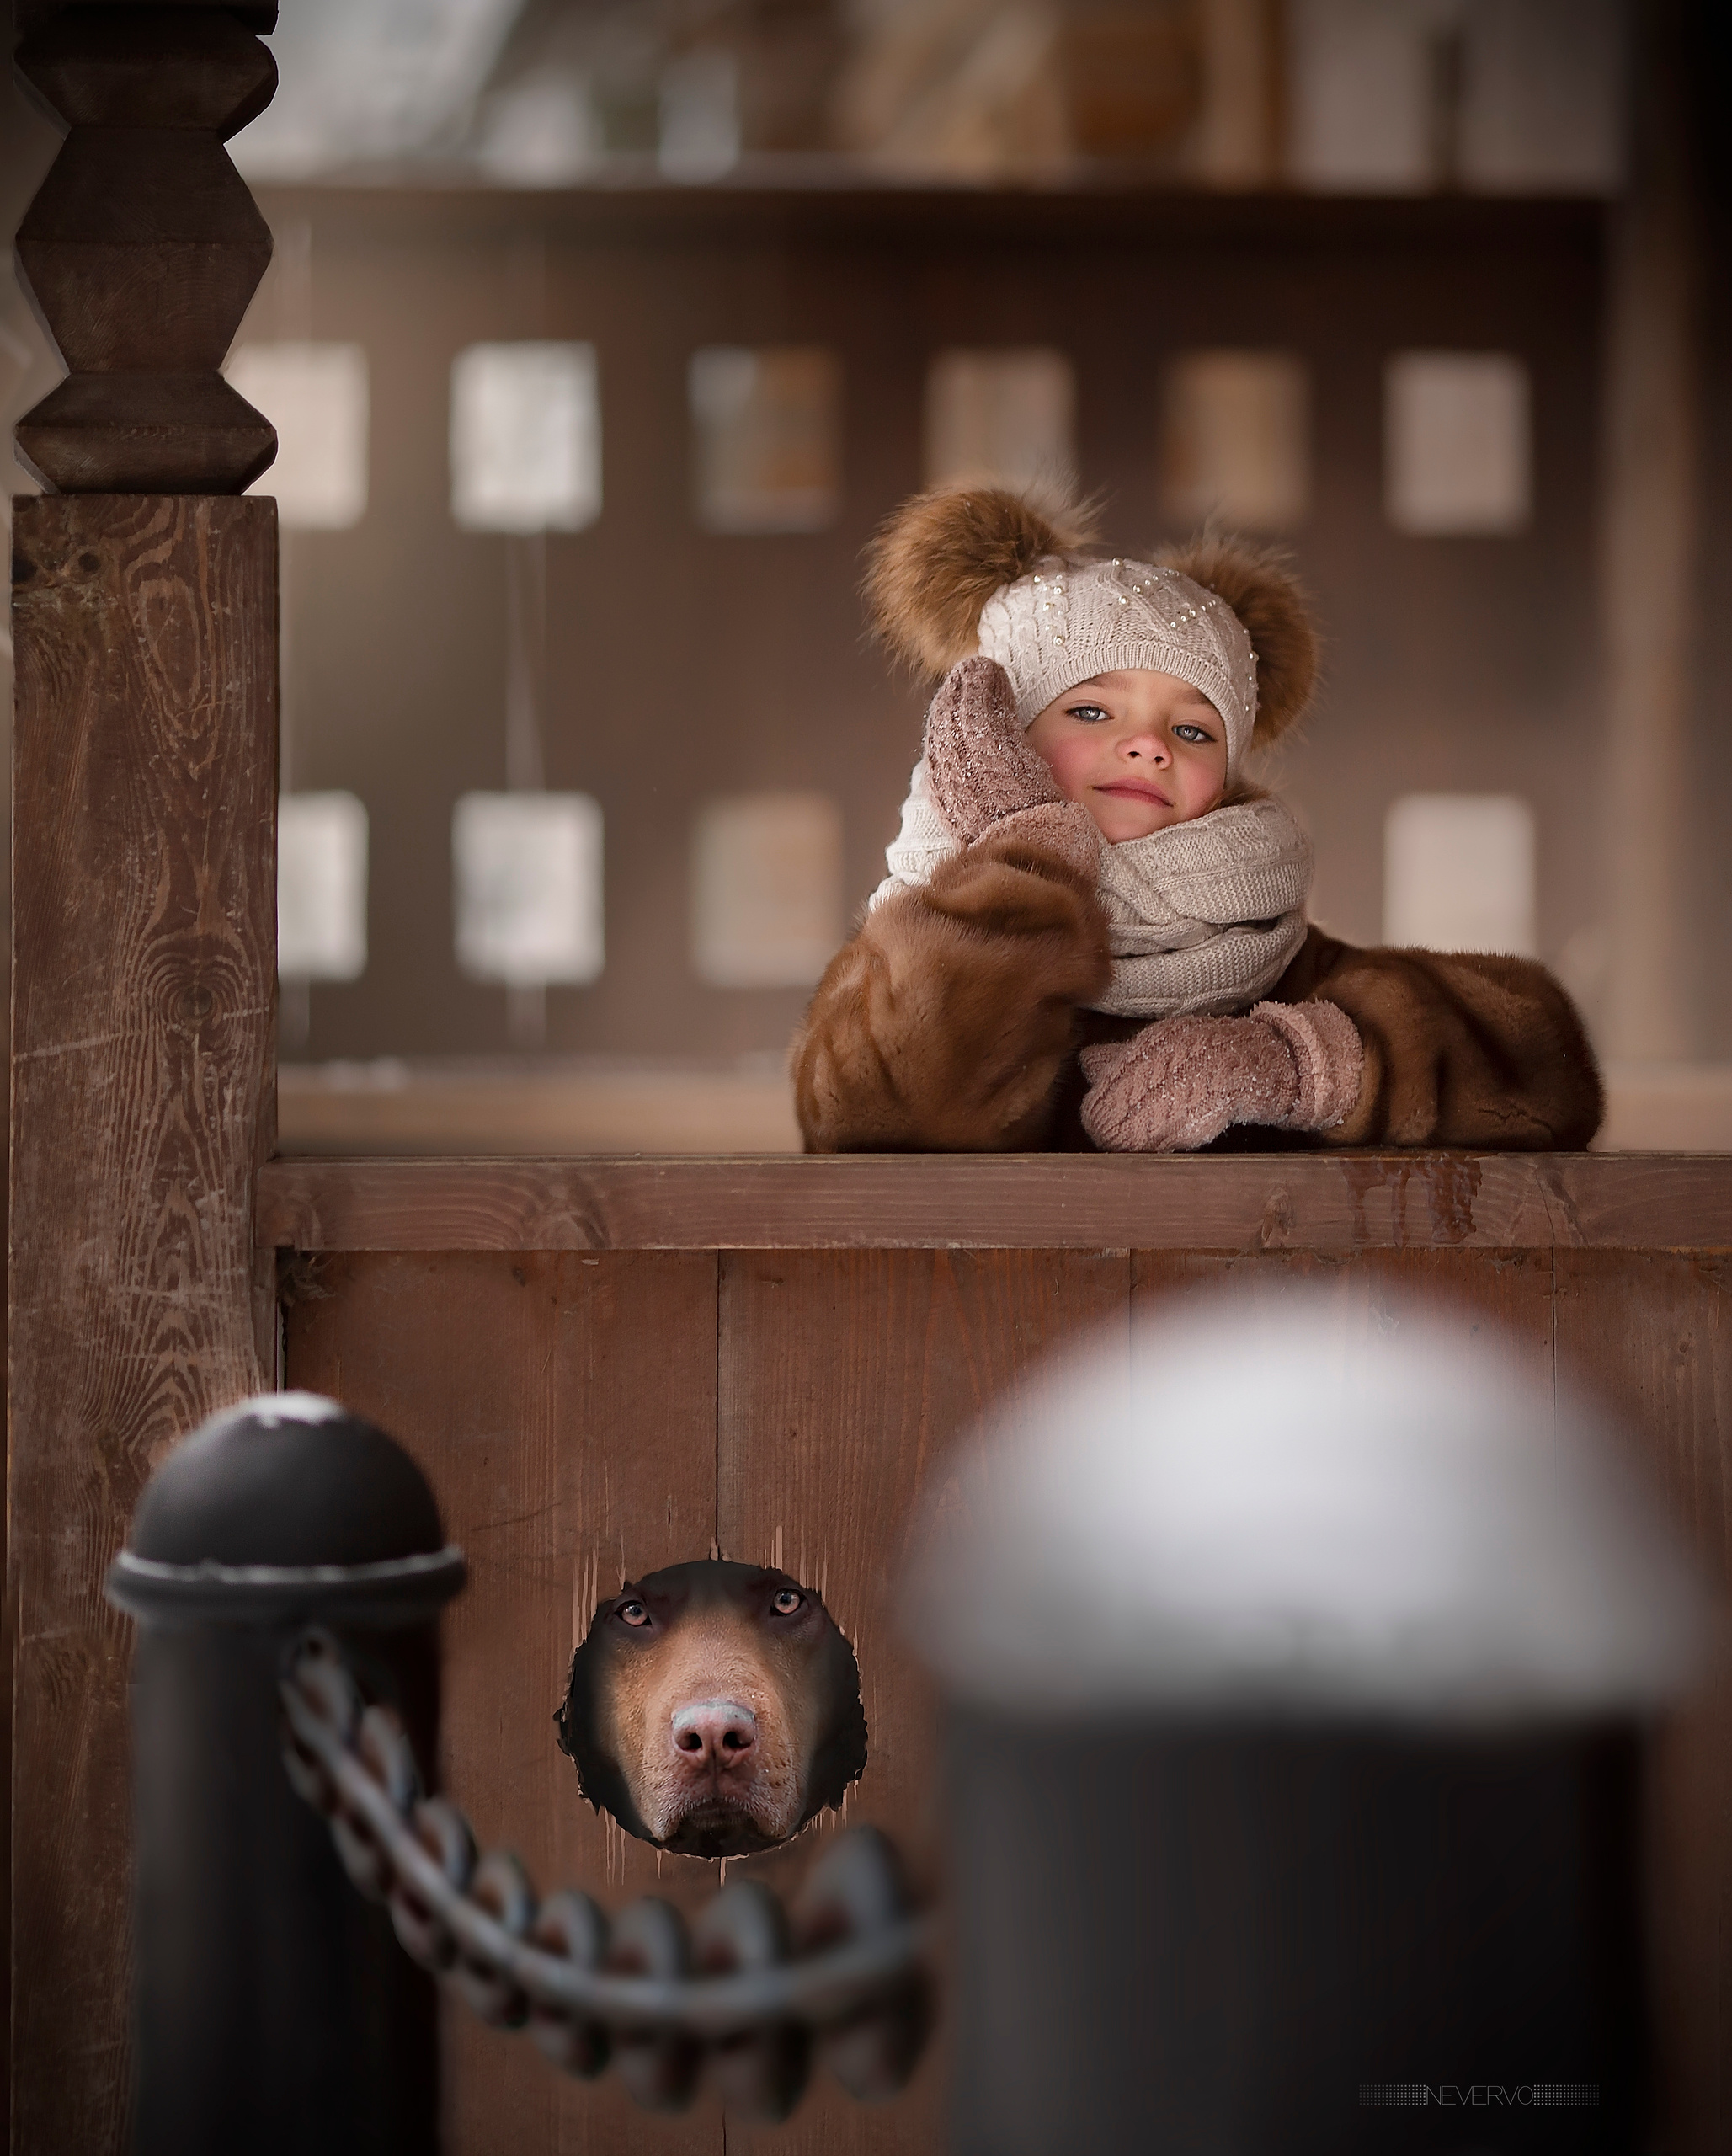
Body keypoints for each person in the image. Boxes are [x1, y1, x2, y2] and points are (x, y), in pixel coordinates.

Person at [791, 484, 1602, 1154]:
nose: (1146, 745)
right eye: (1088, 710)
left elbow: (1541, 1066)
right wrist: (1021, 866)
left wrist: (1291, 1065)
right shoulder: (901, 951)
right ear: (1005, 735)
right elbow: (870, 1122)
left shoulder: (1268, 957)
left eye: (1191, 730)